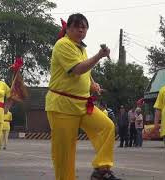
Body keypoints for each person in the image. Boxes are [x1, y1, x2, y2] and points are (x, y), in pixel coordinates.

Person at [45, 13, 120, 180]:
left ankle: (101, 169)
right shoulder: (63, 44)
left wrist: (92, 85)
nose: (81, 30)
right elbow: (77, 69)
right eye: (77, 26)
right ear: (68, 29)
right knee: (65, 151)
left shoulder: (81, 48)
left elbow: (82, 74)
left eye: (84, 27)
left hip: (82, 104)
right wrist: (99, 56)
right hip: (62, 105)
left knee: (107, 127)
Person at [153, 85, 165, 159]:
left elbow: (158, 109)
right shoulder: (163, 90)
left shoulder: (163, 89)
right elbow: (158, 109)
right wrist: (156, 125)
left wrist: (156, 125)